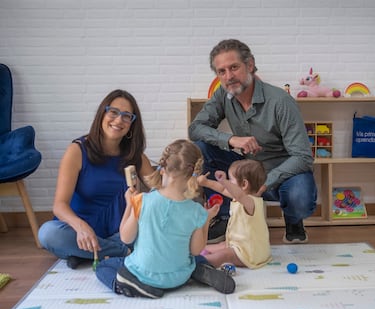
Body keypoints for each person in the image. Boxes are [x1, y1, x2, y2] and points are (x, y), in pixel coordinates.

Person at [188, 39, 317, 244]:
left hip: (284, 172)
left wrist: (267, 181)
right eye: (221, 71)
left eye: (234, 67)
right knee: (201, 149)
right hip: (248, 168)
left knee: (300, 199)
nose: (229, 77)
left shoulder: (281, 102)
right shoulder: (223, 94)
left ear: (249, 65)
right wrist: (231, 139)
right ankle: (223, 216)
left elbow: (302, 157)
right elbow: (195, 129)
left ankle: (293, 220)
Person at [95, 139, 236, 298]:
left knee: (103, 267)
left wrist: (130, 204)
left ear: (162, 169)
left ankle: (131, 284)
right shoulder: (198, 211)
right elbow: (196, 250)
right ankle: (202, 270)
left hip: (143, 274)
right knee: (193, 257)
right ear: (193, 174)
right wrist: (207, 219)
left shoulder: (142, 200)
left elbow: (126, 237)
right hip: (179, 277)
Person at [38, 89, 154, 269]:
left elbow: (162, 192)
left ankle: (88, 254)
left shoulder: (136, 156)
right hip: (81, 233)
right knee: (48, 233)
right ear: (102, 113)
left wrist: (184, 177)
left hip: (120, 233)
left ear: (132, 124)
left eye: (126, 116)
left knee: (154, 229)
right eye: (113, 112)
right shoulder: (77, 151)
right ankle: (121, 253)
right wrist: (80, 227)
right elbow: (59, 205)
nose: (118, 120)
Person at [197, 159, 272, 269]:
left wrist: (224, 181)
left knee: (224, 255)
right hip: (239, 245)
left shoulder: (250, 202)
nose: (228, 183)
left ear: (244, 184)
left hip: (249, 253)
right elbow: (222, 189)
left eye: (231, 180)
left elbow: (239, 195)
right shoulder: (238, 198)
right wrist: (206, 183)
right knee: (215, 246)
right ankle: (194, 253)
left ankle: (199, 264)